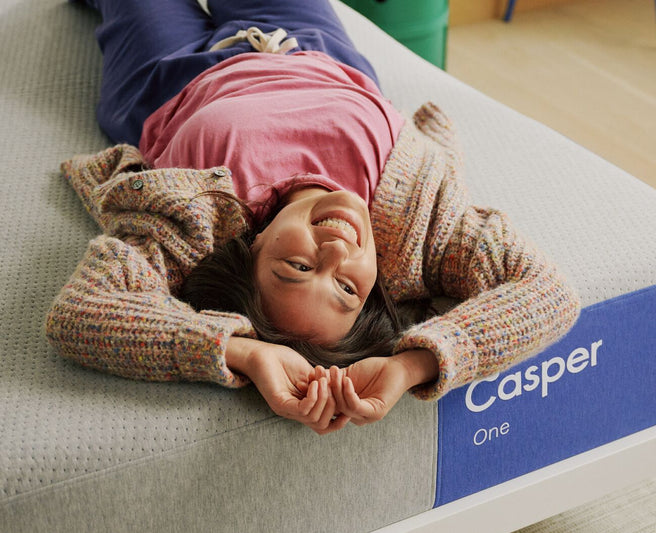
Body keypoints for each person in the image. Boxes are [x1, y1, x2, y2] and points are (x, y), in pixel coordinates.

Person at [46, 0, 581, 435]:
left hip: (170, 78)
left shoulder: (198, 225)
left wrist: (237, 350)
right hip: (314, 47)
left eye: (298, 266)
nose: (337, 252)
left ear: (251, 249)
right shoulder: (426, 231)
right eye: (348, 288)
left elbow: (81, 313)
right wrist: (411, 364)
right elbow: (548, 293)